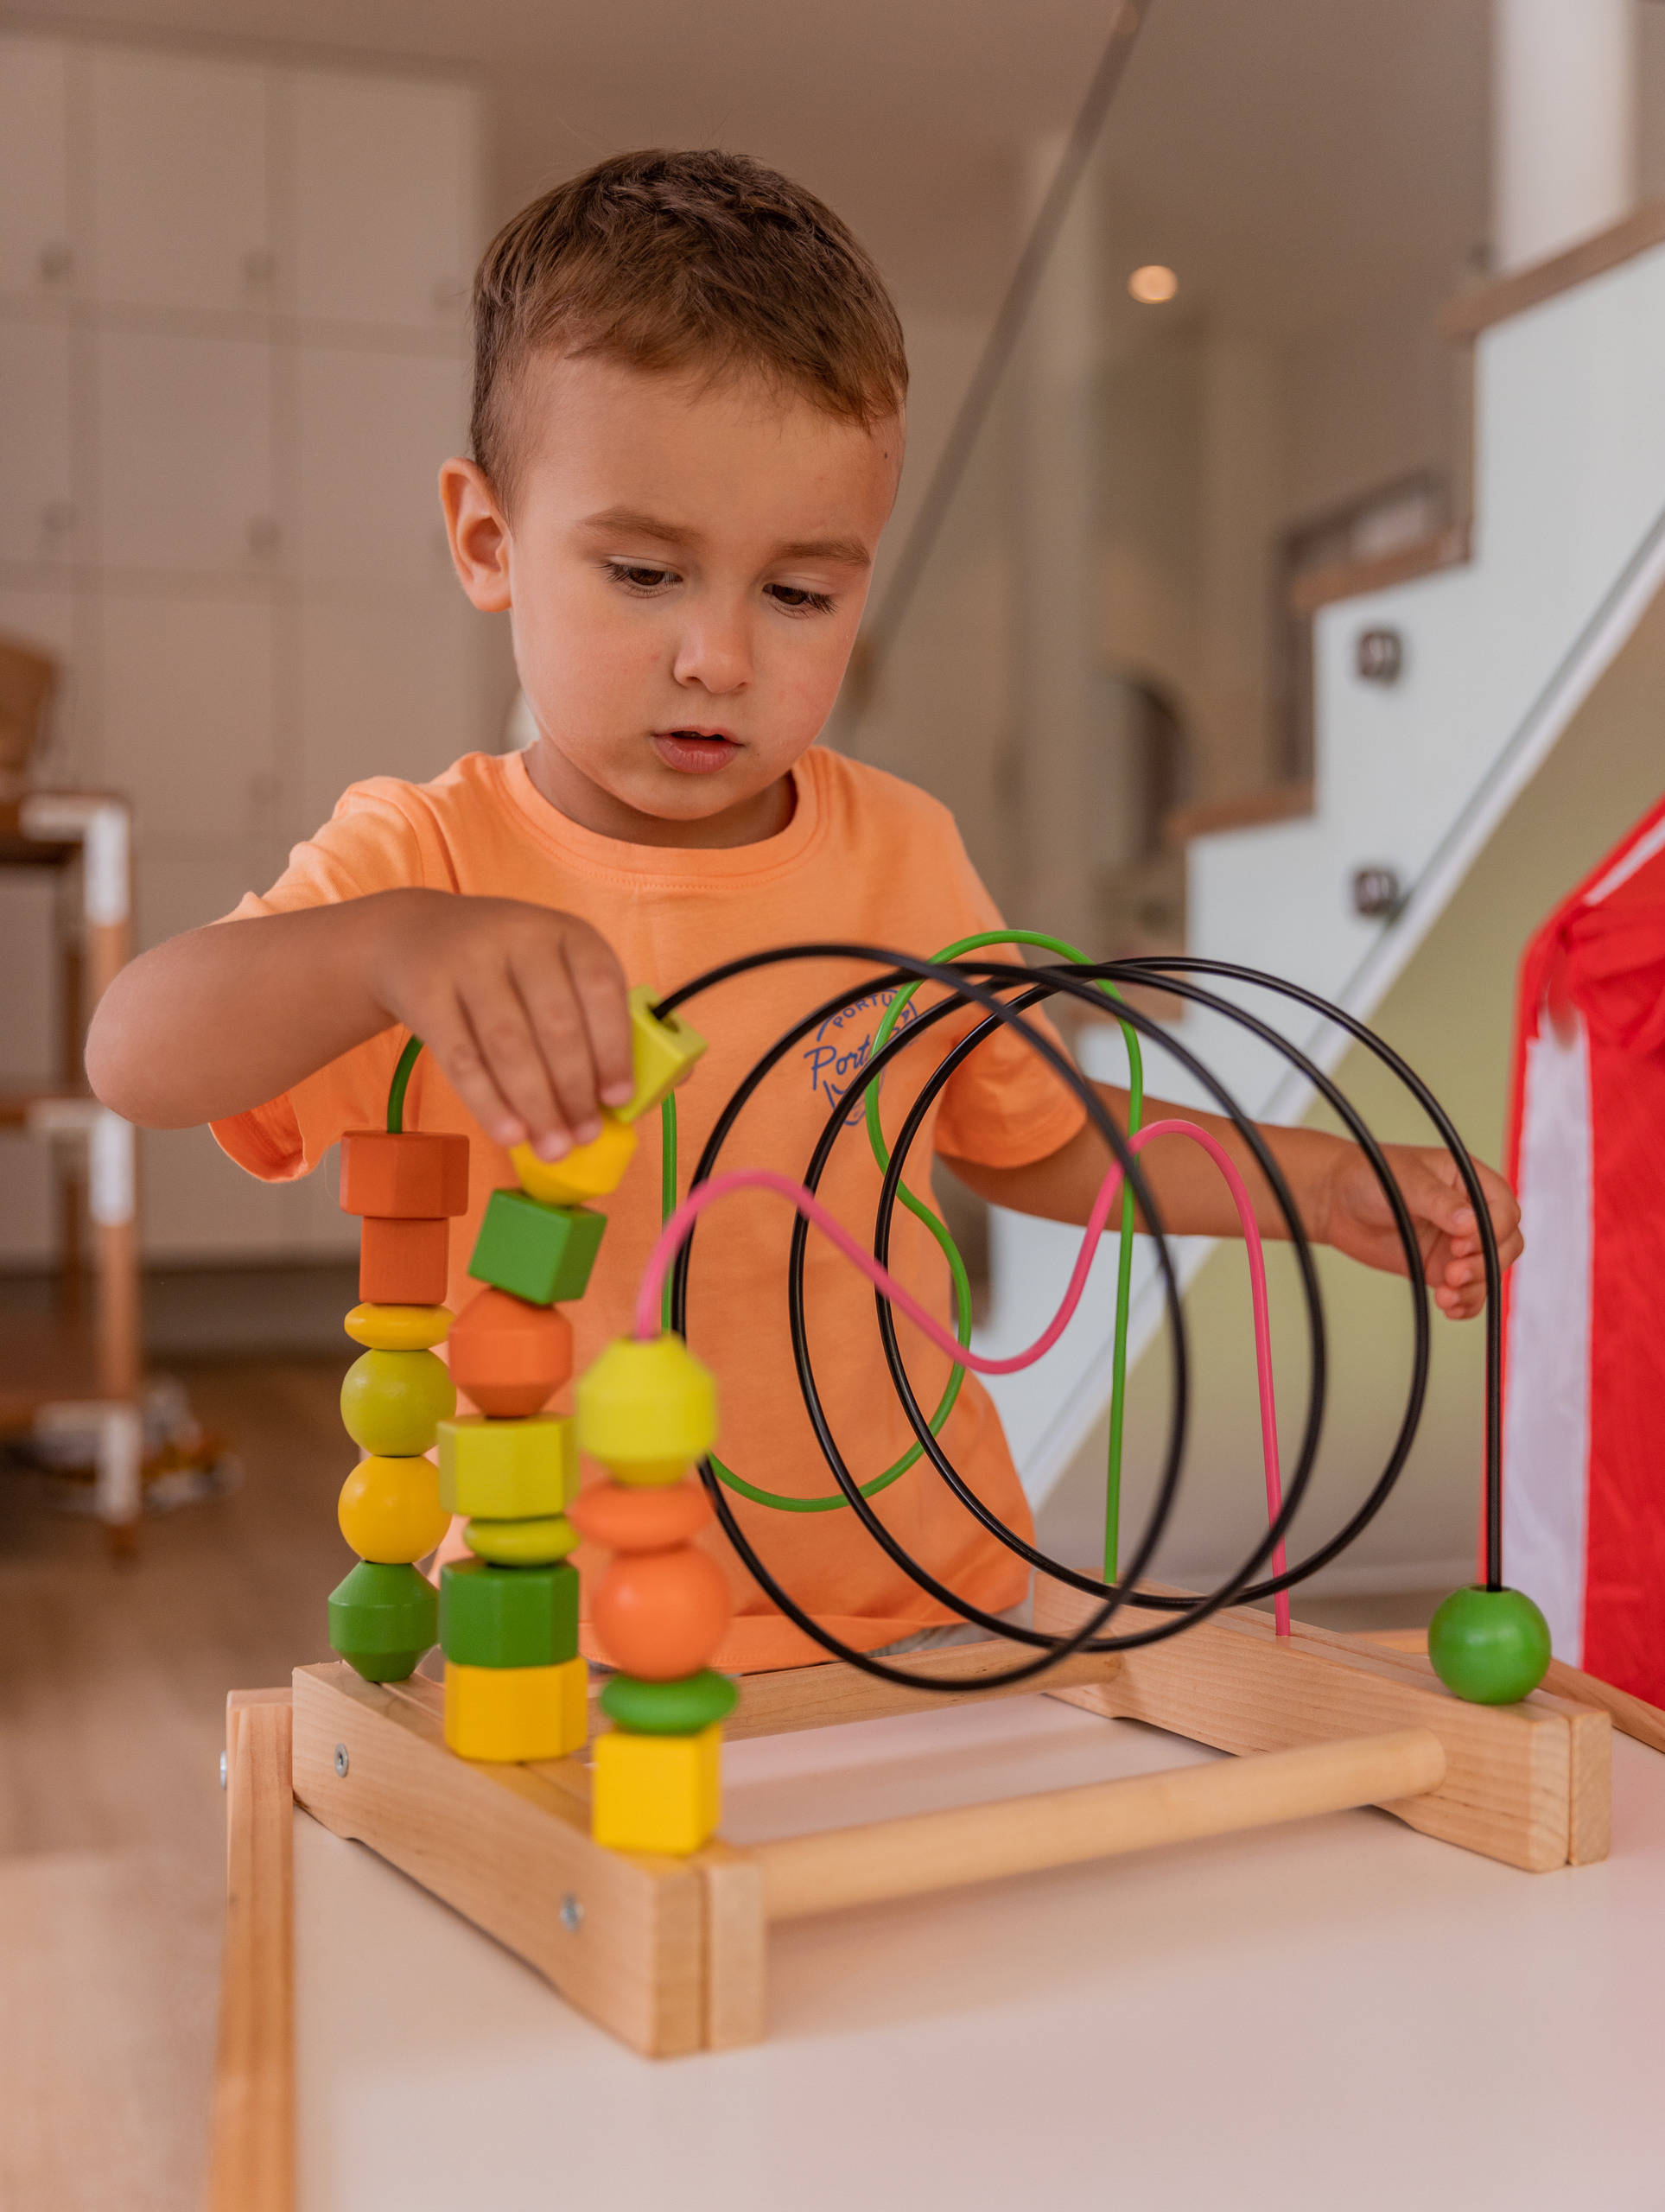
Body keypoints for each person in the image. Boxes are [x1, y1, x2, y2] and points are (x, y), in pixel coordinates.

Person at [86, 150, 1522, 1669]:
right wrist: (383, 949)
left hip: (931, 1600)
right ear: (487, 541)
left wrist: (1317, 1185)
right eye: (645, 572)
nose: (718, 655)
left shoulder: (902, 854)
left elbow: (1038, 1141)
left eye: (800, 594)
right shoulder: (421, 859)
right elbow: (137, 1053)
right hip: (562, 1634)